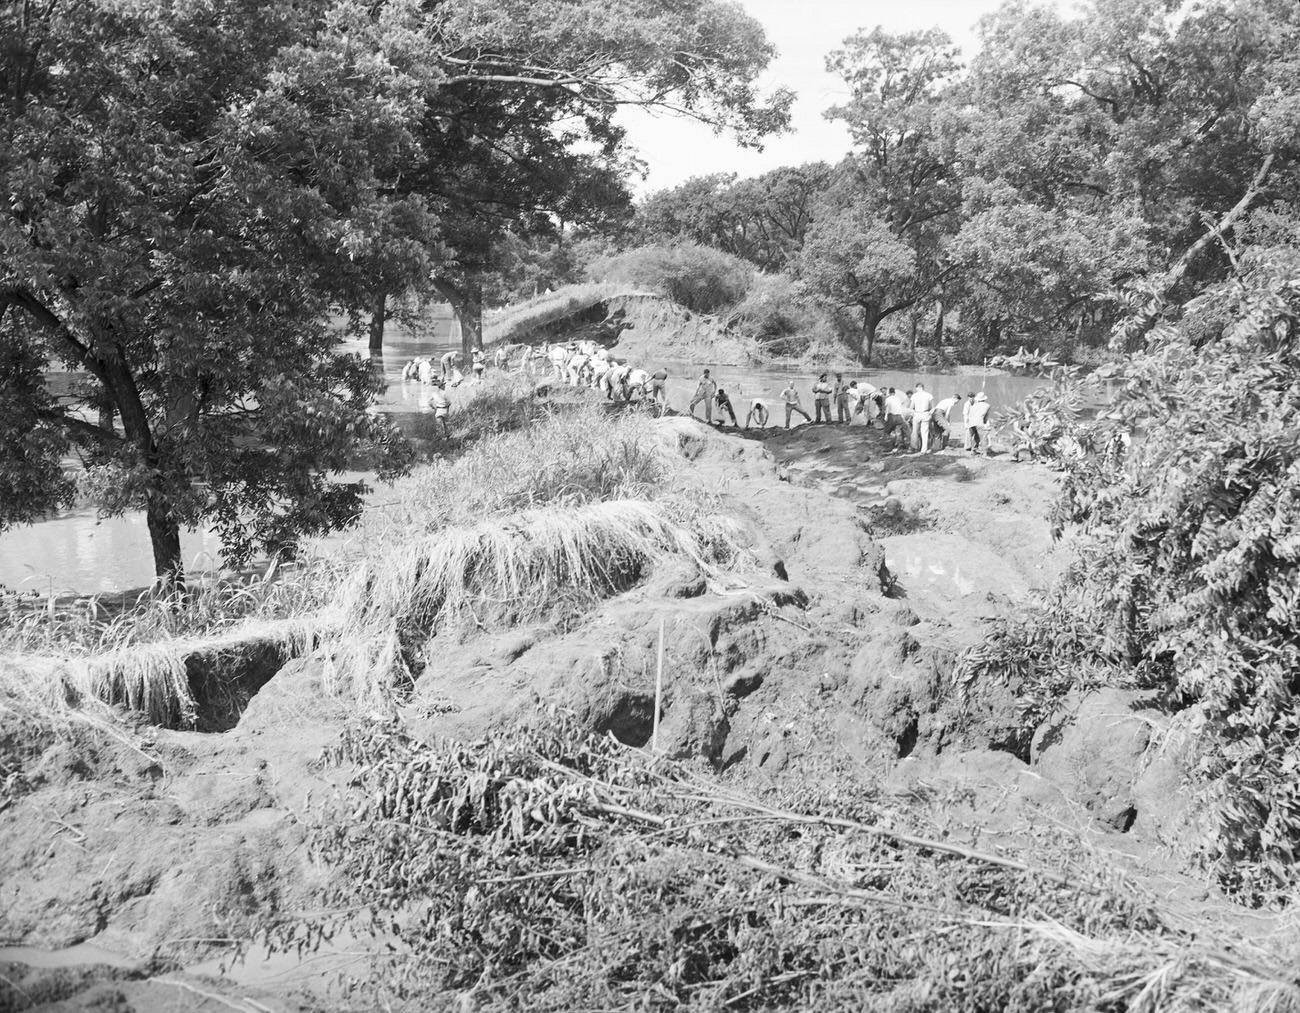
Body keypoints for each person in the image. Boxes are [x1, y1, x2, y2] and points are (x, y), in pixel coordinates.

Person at [909, 382, 936, 452]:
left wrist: (913, 414)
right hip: (925, 413)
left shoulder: (914, 396)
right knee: (924, 432)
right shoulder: (929, 395)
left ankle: (914, 447)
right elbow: (933, 407)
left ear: (917, 388)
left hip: (917, 413)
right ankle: (924, 449)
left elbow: (911, 407)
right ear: (923, 387)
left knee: (914, 432)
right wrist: (930, 413)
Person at [967, 391, 991, 456]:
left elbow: (970, 414)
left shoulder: (973, 405)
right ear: (984, 399)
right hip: (979, 422)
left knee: (975, 437)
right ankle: (984, 453)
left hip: (971, 423)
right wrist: (985, 424)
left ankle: (973, 451)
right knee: (983, 438)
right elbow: (986, 417)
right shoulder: (987, 405)